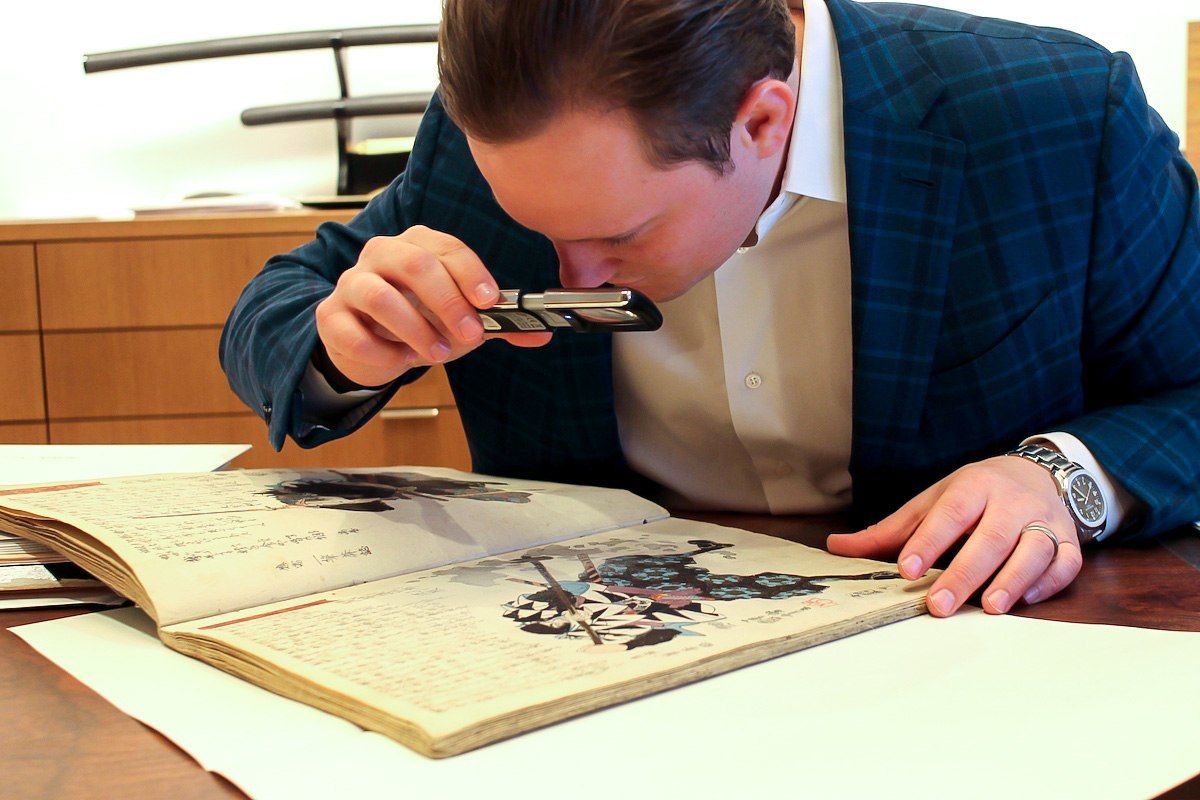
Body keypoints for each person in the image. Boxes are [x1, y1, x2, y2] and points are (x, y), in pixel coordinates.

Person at [220, 0, 1200, 620]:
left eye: (619, 233)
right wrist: (347, 343)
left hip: (967, 650)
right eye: (532, 227)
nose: (569, 278)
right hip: (595, 653)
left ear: (764, 121)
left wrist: (1066, 478)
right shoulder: (506, 138)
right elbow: (277, 307)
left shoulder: (1058, 114)